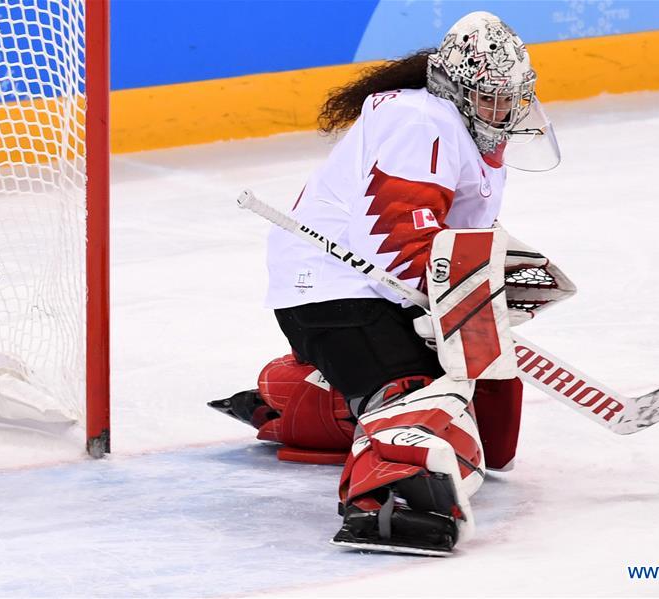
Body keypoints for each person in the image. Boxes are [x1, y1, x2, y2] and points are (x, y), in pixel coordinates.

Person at [211, 11, 562, 555]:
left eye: (512, 98)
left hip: (379, 290)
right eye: (491, 98)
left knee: (480, 409)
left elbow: (451, 241)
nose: (505, 110)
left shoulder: (470, 135)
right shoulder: (421, 121)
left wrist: (492, 282)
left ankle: (301, 398)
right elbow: (396, 238)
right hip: (335, 291)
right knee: (422, 401)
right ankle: (388, 501)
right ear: (455, 89)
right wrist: (459, 297)